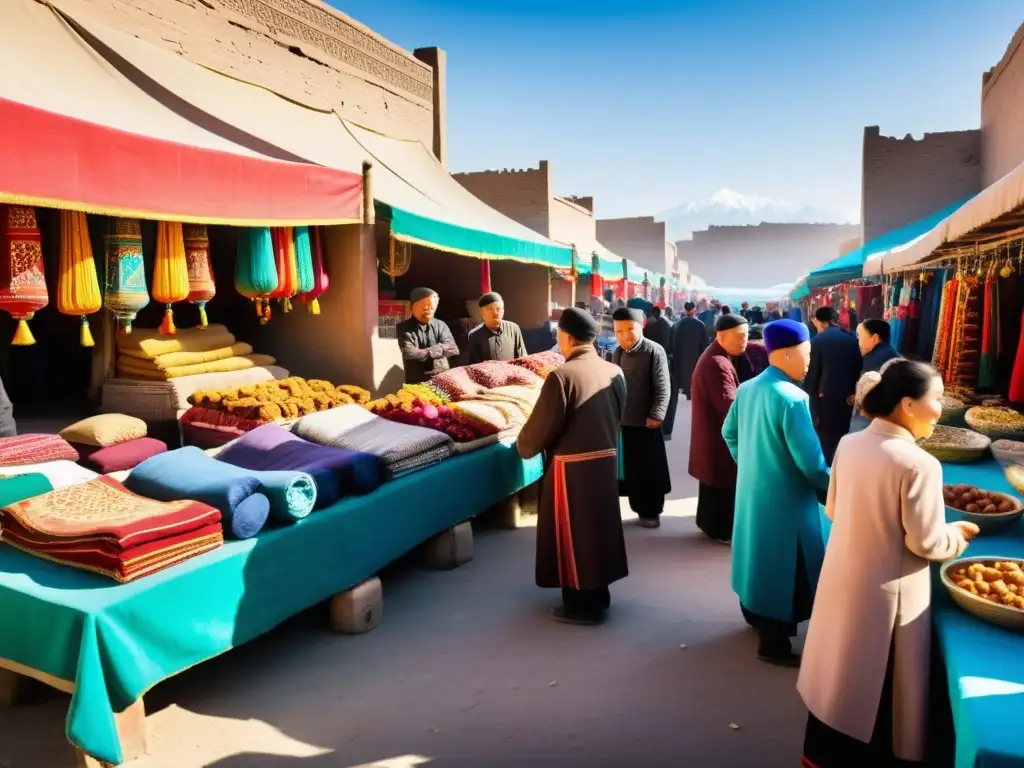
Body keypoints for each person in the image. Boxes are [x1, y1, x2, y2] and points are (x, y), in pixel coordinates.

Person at [798, 361, 979, 766]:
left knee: (840, 671)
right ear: (908, 404)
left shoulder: (850, 443)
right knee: (878, 688)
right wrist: (958, 535)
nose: (940, 408)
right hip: (890, 593)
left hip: (845, 575)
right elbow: (928, 542)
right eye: (936, 400)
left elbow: (833, 510)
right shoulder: (918, 464)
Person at [723, 319, 830, 666]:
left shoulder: (748, 388)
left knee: (757, 559)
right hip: (787, 503)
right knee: (787, 570)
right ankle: (774, 645)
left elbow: (729, 433)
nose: (810, 360)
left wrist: (750, 463)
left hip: (753, 493)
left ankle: (755, 620)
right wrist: (836, 486)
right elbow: (812, 465)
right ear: (786, 354)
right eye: (807, 353)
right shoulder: (793, 398)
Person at [517, 307, 628, 625]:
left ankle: (582, 606)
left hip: (570, 471)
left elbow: (541, 428)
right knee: (599, 530)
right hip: (605, 462)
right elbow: (620, 413)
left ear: (565, 337)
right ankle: (600, 595)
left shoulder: (562, 376)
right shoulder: (614, 371)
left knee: (573, 536)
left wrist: (524, 446)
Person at [689, 313, 766, 544]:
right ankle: (722, 531)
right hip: (718, 435)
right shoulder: (717, 363)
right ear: (721, 336)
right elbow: (728, 404)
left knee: (714, 483)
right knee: (723, 483)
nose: (744, 341)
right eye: (739, 336)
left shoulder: (720, 356)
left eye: (746, 336)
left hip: (711, 433)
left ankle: (710, 526)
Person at [612, 307, 671, 528]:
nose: (625, 335)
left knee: (650, 469)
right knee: (632, 469)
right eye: (619, 331)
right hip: (625, 421)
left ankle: (652, 510)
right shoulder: (616, 353)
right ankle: (638, 507)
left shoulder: (654, 351)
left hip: (647, 422)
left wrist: (656, 414)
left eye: (630, 329)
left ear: (641, 325)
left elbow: (663, 387)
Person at [805, 306, 862, 464]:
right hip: (847, 397)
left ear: (817, 321)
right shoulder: (852, 338)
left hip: (825, 398)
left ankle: (830, 473)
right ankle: (844, 465)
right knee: (843, 433)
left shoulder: (816, 341)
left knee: (826, 439)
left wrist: (812, 406)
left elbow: (813, 376)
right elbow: (859, 367)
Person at [396, 287, 459, 384]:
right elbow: (409, 353)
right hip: (415, 382)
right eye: (422, 305)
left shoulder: (441, 325)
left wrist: (426, 352)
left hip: (442, 380)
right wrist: (440, 349)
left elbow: (453, 349)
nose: (427, 308)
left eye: (430, 305)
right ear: (411, 307)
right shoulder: (402, 328)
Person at [849, 319, 901, 433]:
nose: (858, 340)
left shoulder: (878, 358)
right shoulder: (886, 352)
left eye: (860, 336)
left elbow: (868, 390)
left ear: (874, 338)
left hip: (873, 417)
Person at [466, 292, 526, 363]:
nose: (495, 313)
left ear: (503, 310)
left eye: (498, 309)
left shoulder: (514, 328)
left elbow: (523, 358)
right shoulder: (474, 335)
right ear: (482, 312)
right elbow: (474, 366)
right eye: (490, 309)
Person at [672, 301, 710, 402]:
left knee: (683, 372)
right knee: (694, 372)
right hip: (696, 354)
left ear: (685, 310)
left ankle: (685, 389)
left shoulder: (678, 324)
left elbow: (673, 341)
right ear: (694, 310)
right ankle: (691, 391)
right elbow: (705, 342)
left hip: (681, 355)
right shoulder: (700, 324)